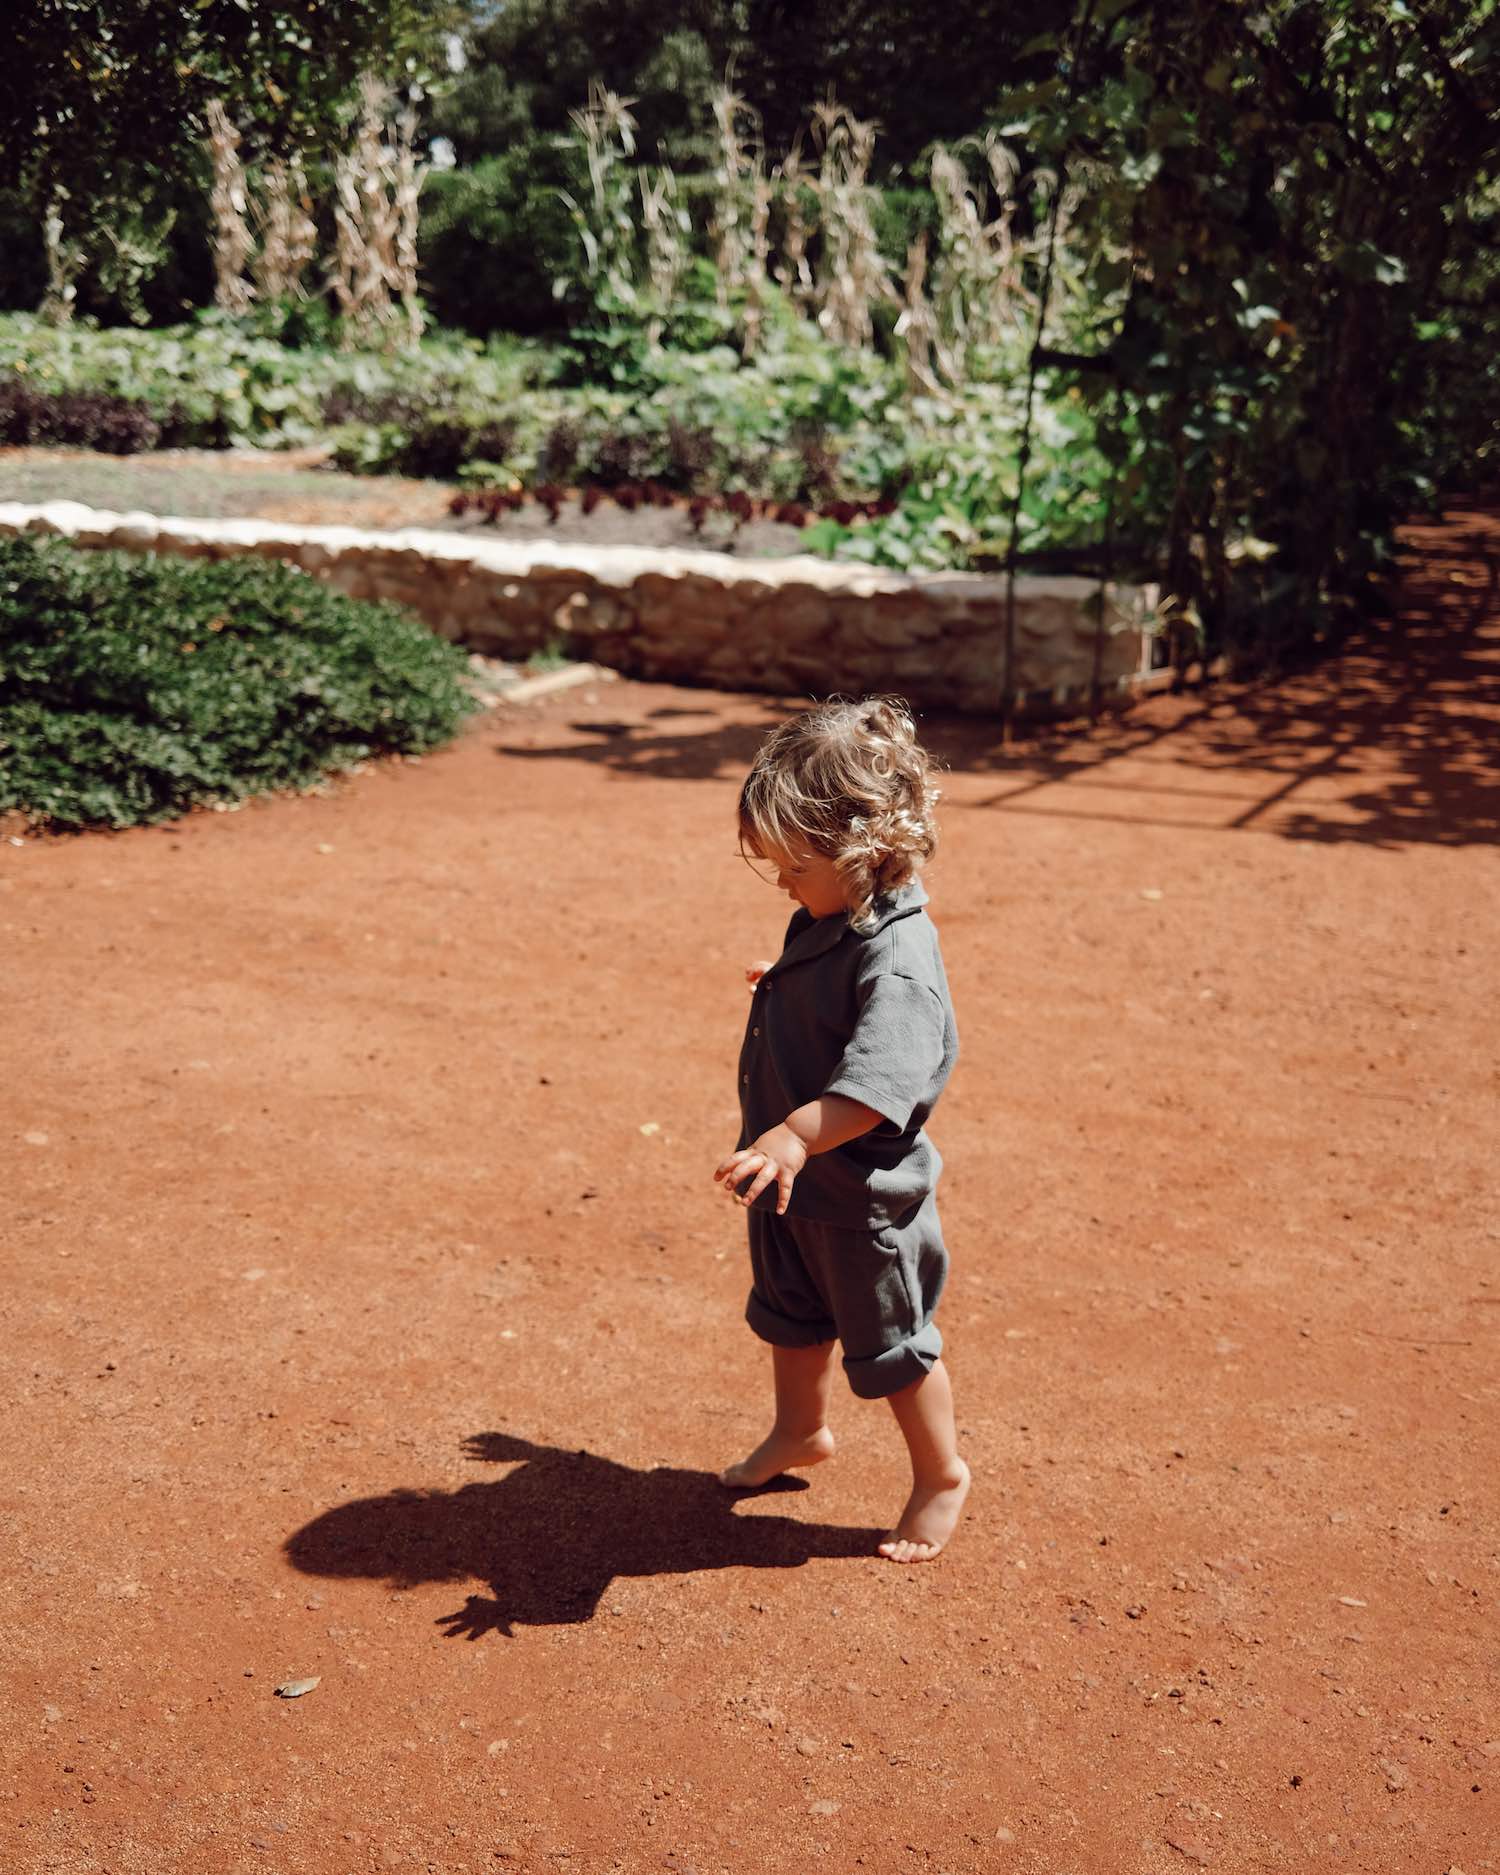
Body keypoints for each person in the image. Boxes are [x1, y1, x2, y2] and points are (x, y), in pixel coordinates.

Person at [712, 697, 970, 1563]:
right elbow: (830, 988)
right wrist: (786, 979)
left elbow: (874, 1086)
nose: (783, 884)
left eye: (792, 867)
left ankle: (940, 1473)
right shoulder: (837, 915)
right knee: (791, 1317)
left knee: (894, 1343)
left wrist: (789, 1136)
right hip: (793, 1186)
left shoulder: (900, 963)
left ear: (864, 855)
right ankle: (800, 1430)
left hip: (862, 1203)